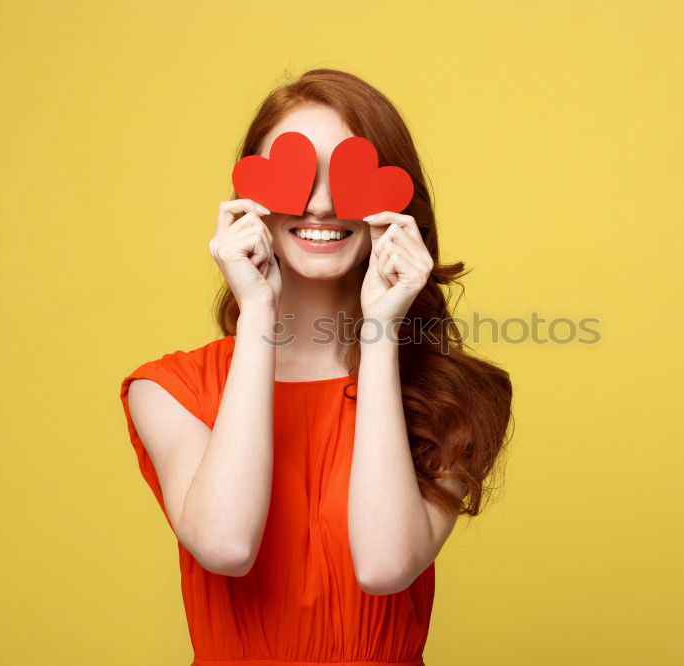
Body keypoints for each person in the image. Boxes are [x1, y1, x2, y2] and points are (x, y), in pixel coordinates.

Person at [119, 68, 513, 666]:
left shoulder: (455, 397)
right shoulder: (170, 391)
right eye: (297, 175)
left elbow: (384, 566)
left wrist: (378, 331)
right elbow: (225, 545)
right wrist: (258, 312)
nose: (324, 203)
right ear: (248, 203)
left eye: (350, 175)